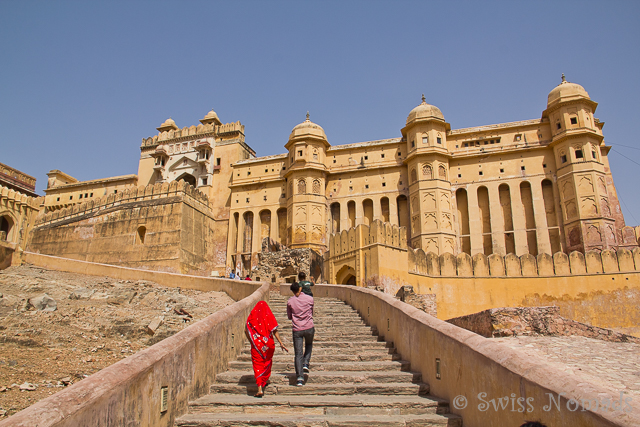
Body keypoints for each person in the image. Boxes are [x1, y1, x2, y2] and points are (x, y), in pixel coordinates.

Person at [245, 301, 288, 397]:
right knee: (267, 362)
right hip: (268, 344)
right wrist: (281, 343)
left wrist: (252, 341)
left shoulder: (252, 316)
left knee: (257, 365)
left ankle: (260, 388)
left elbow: (246, 330)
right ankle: (265, 379)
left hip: (257, 345)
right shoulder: (268, 315)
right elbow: (274, 329)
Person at [286, 282, 314, 386]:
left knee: (298, 354)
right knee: (309, 344)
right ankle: (306, 362)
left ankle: (300, 378)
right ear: (300, 288)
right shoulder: (310, 299)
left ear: (292, 291)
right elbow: (311, 312)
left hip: (297, 329)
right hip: (309, 326)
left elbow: (289, 316)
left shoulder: (290, 301)